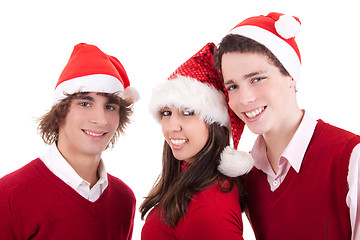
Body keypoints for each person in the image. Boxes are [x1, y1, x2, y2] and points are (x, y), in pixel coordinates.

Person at [214, 12, 360, 239]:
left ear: (291, 77)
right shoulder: (248, 175)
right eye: (232, 86)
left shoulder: (351, 157)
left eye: (257, 79)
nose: (244, 99)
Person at [0, 43, 139, 239]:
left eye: (110, 107)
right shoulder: (9, 196)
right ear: (60, 112)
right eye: (85, 103)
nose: (100, 120)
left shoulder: (124, 199)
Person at [139, 42, 254, 240]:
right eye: (166, 112)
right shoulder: (189, 179)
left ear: (215, 123)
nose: (172, 126)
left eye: (188, 113)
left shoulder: (212, 203)